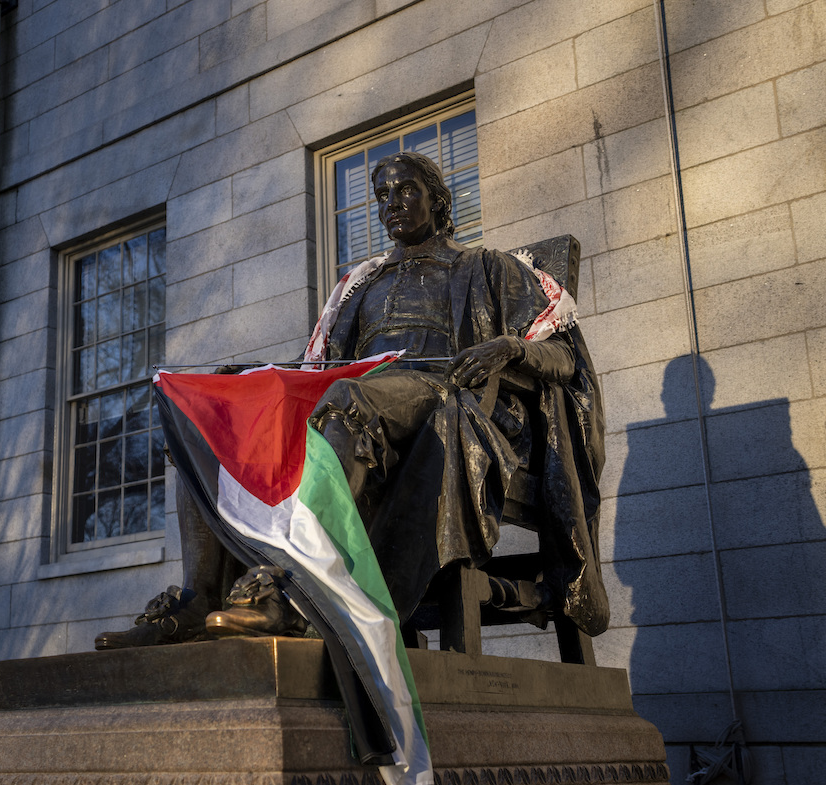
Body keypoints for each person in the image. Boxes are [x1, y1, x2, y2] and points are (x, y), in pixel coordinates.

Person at [96, 151, 607, 650]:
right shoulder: (361, 285)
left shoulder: (488, 266)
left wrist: (509, 347)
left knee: (347, 398)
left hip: (444, 396)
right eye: (382, 195)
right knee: (215, 414)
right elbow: (316, 370)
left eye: (406, 190)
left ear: (438, 200)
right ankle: (198, 597)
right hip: (361, 403)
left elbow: (564, 356)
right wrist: (251, 378)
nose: (391, 202)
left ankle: (301, 588)